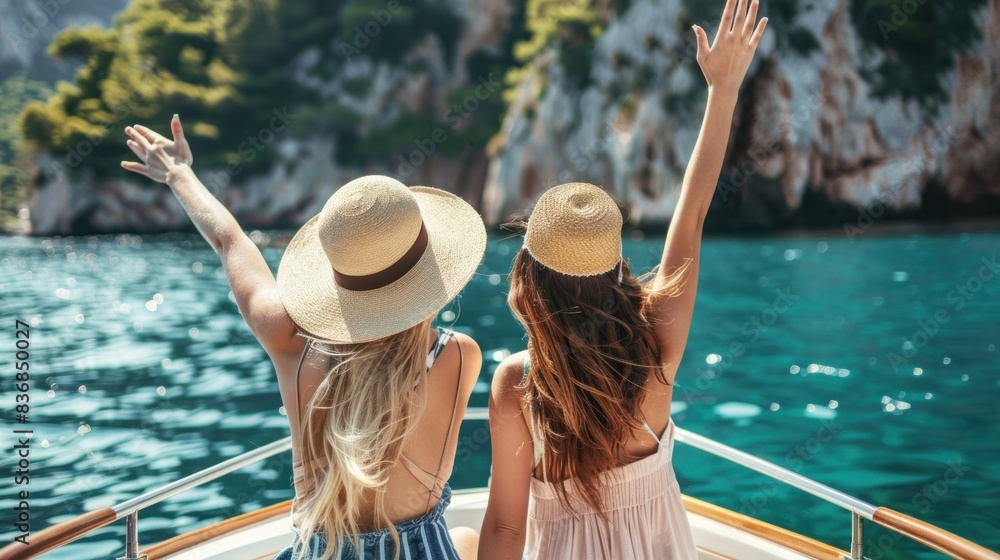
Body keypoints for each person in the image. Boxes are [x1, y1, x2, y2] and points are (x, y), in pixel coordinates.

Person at [478, 1, 768, 558]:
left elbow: (506, 530)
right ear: (616, 267)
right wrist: (724, 89)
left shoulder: (518, 384)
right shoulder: (656, 340)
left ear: (529, 278)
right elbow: (693, 212)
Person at [122, 125, 486, 560]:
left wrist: (179, 173)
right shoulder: (458, 356)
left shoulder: (290, 341)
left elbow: (229, 241)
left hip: (321, 551)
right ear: (430, 277)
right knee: (466, 537)